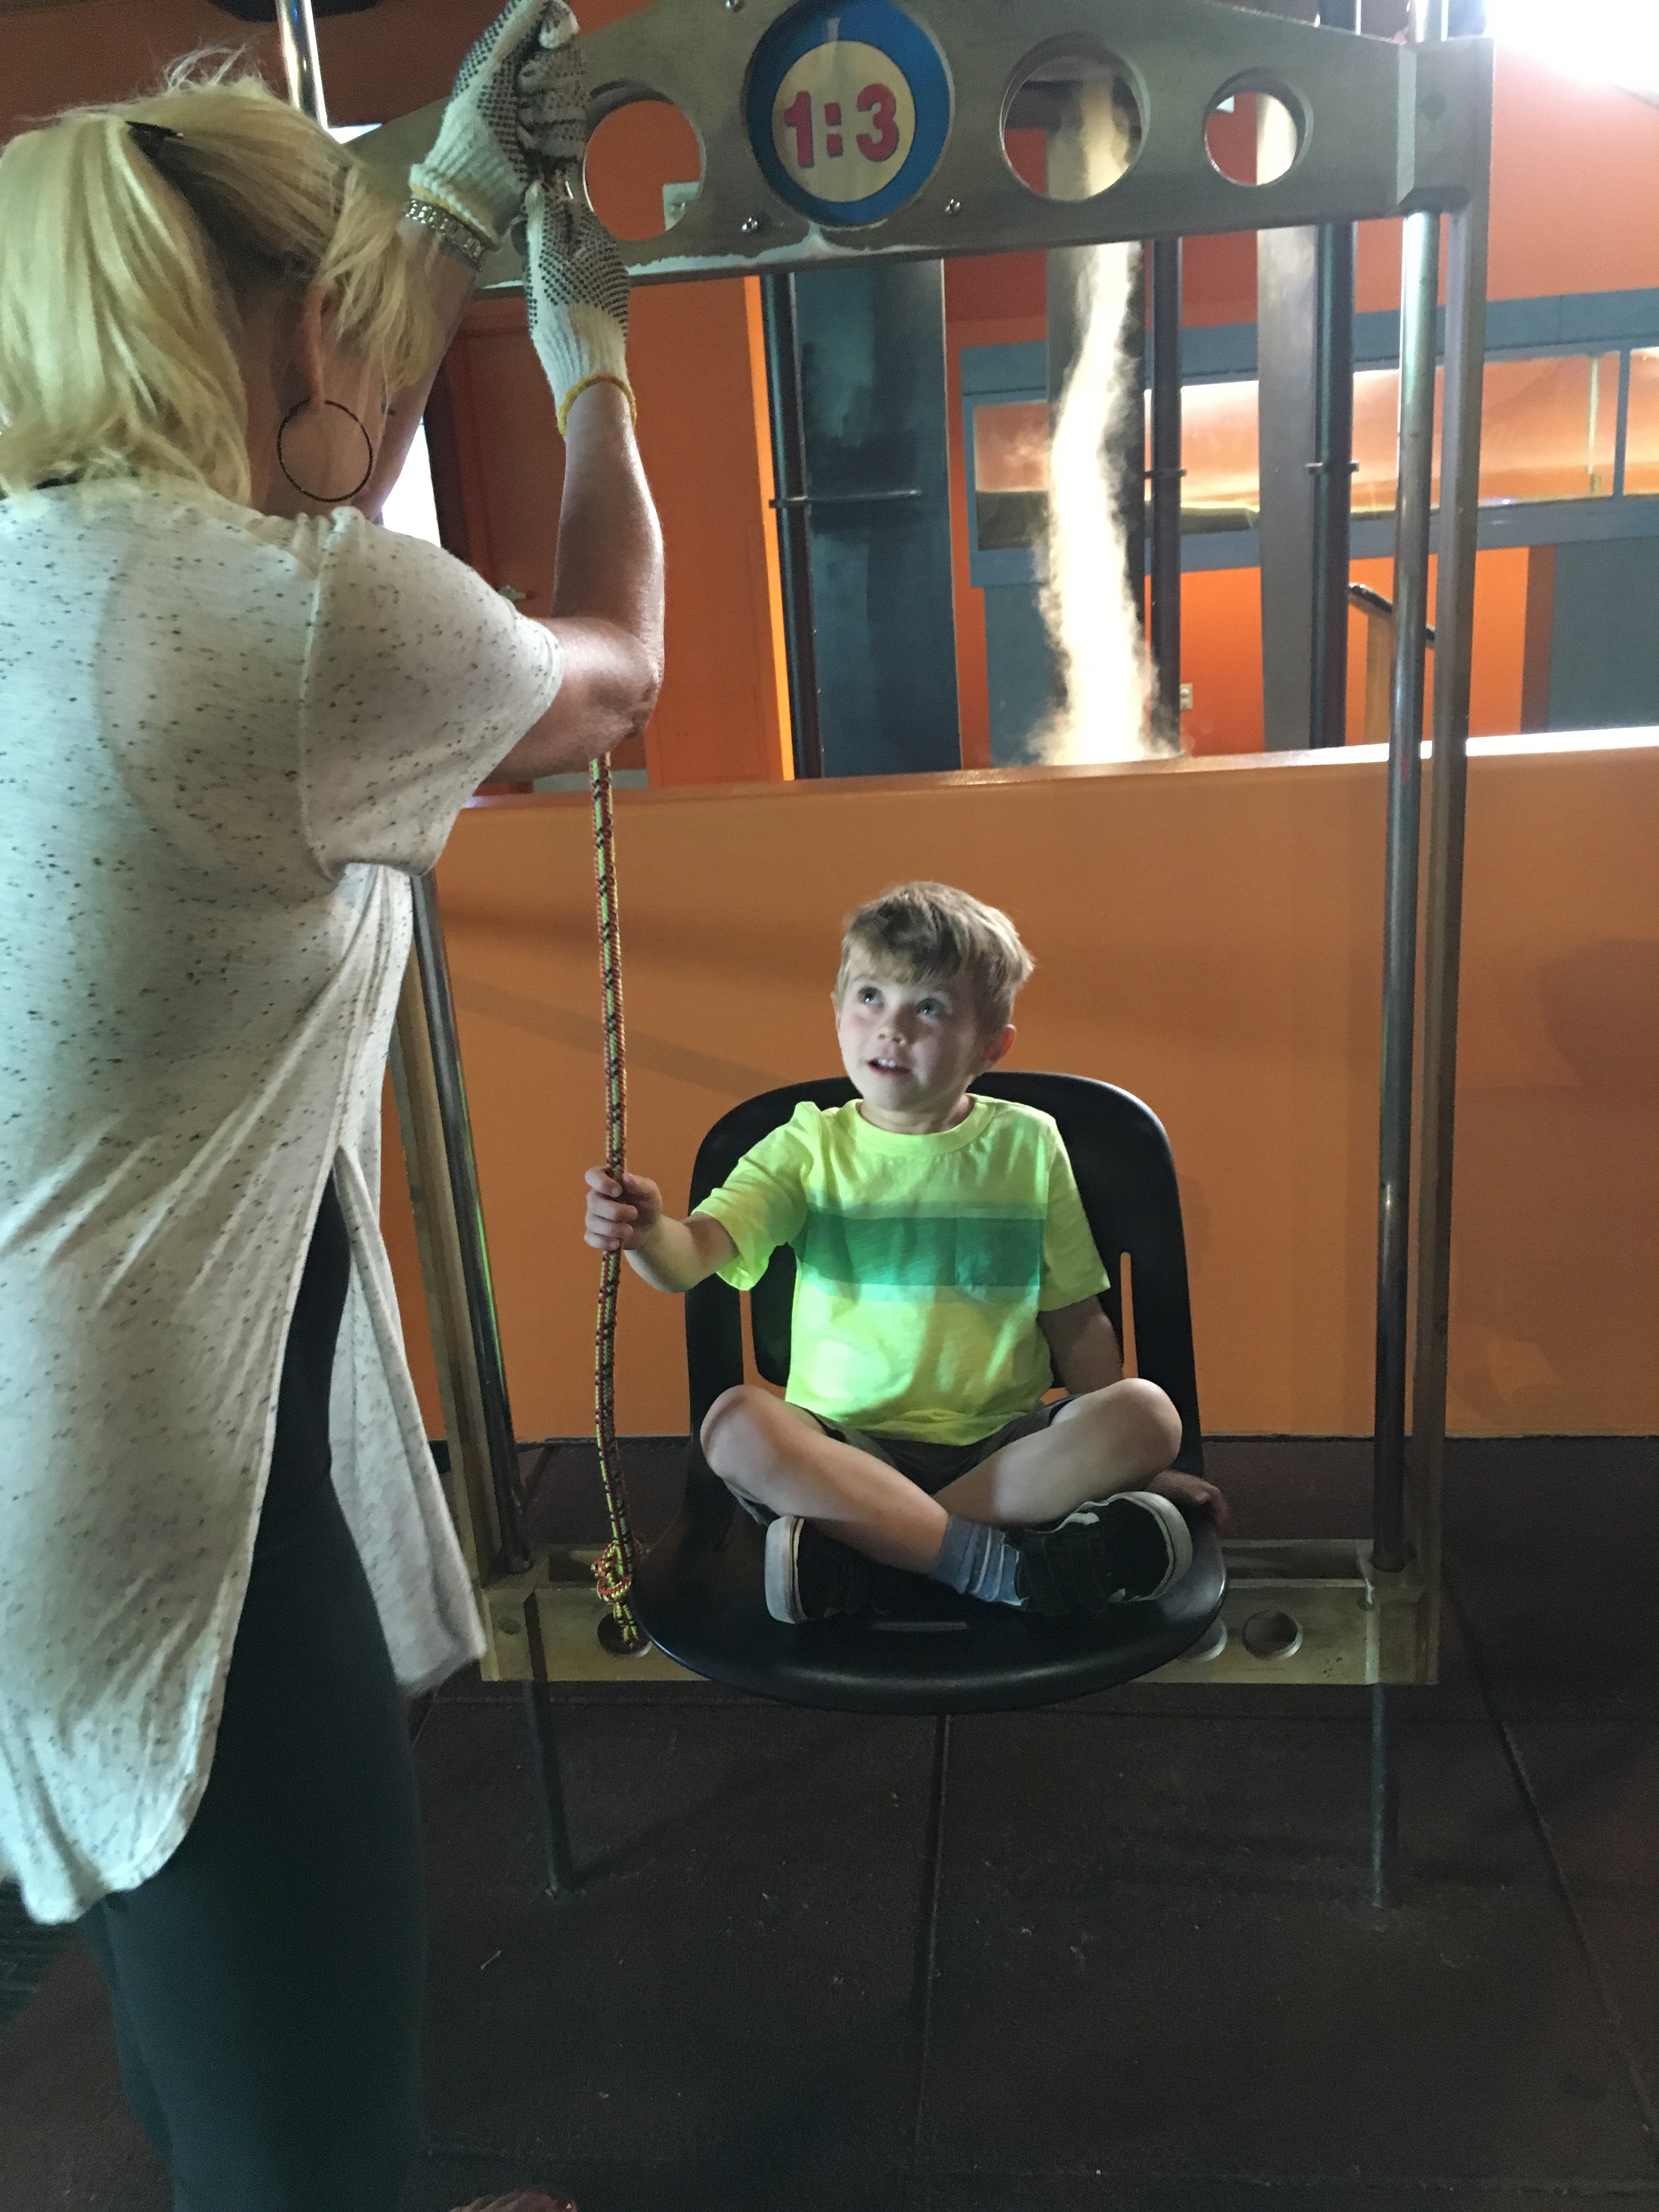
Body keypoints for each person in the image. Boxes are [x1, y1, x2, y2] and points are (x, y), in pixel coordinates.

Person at [0, 4, 655, 2208]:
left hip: (40, 1437)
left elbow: (269, 553)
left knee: (183, 2003)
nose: (363, 367)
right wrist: (591, 374)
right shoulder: (272, 629)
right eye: (341, 316)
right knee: (302, 2106)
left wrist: (443, 204)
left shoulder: (61, 571)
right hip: (131, 1491)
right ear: (279, 333)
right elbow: (612, 673)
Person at [584, 882, 1231, 1625]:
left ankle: (876, 1557)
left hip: (1002, 1451)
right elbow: (692, 1257)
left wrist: (1128, 1467)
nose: (890, 1029)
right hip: (843, 1452)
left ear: (991, 1046)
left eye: (929, 1008)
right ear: (837, 1011)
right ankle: (1003, 1569)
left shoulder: (1028, 1143)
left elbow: (1075, 1319)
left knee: (1149, 1415)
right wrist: (647, 1233)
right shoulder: (806, 1147)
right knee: (733, 1425)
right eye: (870, 997)